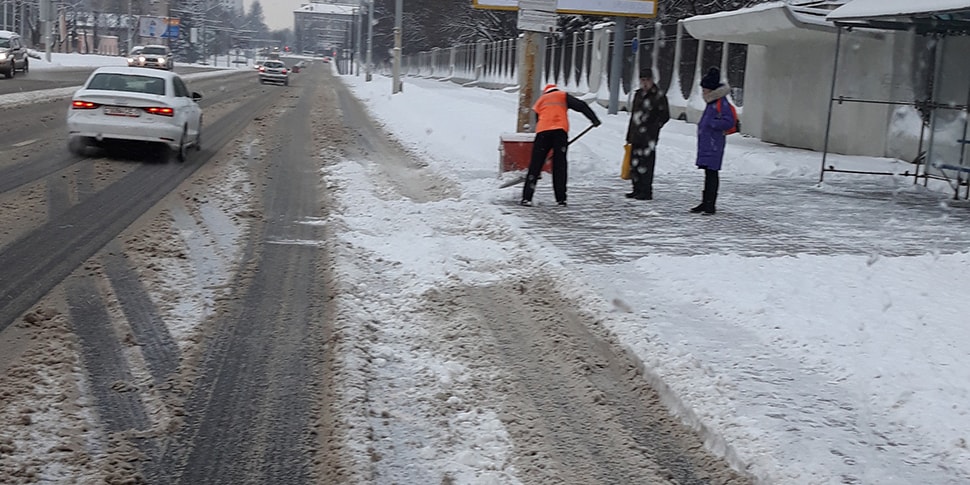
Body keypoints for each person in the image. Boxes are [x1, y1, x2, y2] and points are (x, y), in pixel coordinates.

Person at [521, 84, 601, 207]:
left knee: (535, 165)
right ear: (556, 89)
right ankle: (561, 199)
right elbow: (581, 106)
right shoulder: (562, 95)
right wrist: (594, 119)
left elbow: (538, 119)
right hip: (559, 133)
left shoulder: (541, 100)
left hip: (542, 133)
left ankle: (526, 198)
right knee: (559, 166)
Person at [691, 67, 735, 215]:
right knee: (708, 173)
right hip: (708, 143)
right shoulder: (712, 103)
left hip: (714, 143)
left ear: (711, 90)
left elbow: (730, 121)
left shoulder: (720, 103)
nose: (703, 92)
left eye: (705, 89)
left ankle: (710, 205)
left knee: (712, 173)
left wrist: (713, 124)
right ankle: (706, 202)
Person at [625, 68, 670, 200]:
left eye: (647, 80)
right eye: (642, 80)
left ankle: (646, 190)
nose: (645, 83)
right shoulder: (638, 95)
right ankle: (636, 188)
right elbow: (633, 116)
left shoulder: (658, 95)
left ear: (652, 80)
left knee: (646, 164)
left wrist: (654, 126)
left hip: (649, 136)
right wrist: (629, 135)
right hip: (636, 135)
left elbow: (665, 115)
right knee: (635, 163)